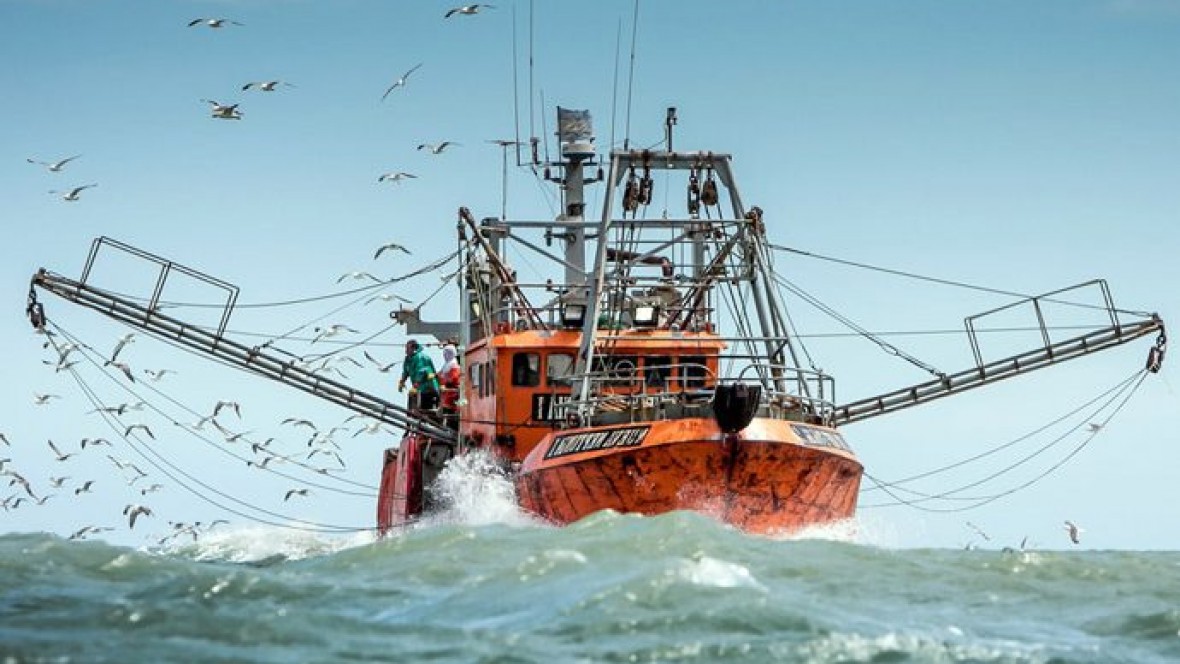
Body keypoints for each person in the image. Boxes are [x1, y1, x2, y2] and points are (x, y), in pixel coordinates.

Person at [398, 339, 440, 413]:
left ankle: (421, 419)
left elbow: (421, 372)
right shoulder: (408, 359)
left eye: (408, 348)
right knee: (412, 403)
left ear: (414, 348)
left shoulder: (420, 357)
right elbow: (405, 371)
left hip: (428, 388)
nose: (406, 351)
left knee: (424, 409)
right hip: (418, 388)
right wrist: (402, 381)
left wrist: (415, 386)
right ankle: (411, 419)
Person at [437, 343, 461, 426]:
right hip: (445, 393)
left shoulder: (453, 364)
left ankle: (449, 426)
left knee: (449, 411)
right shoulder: (446, 364)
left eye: (446, 353)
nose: (444, 355)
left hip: (451, 393)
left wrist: (446, 383)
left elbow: (453, 377)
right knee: (445, 409)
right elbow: (441, 374)